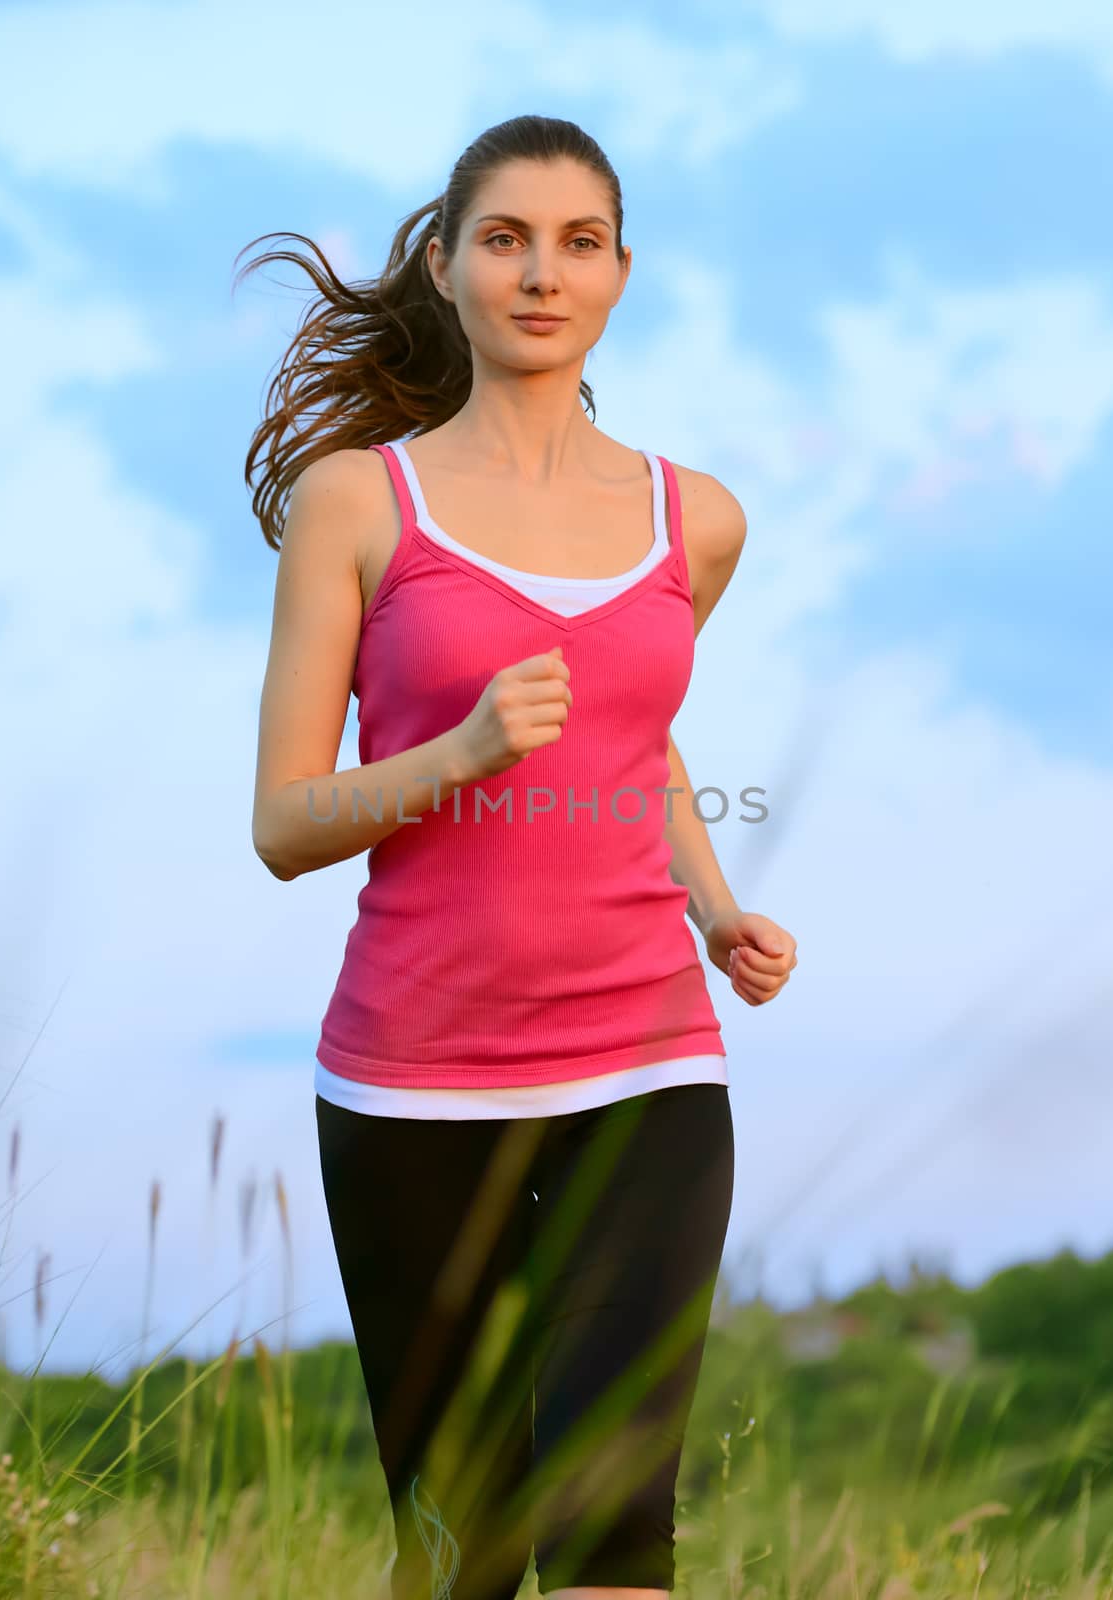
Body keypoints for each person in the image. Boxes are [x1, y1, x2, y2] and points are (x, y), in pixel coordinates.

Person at [244, 113, 797, 1600]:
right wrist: (456, 757)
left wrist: (717, 905)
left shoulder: (701, 521)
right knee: (465, 1550)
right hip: (412, 1081)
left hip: (646, 1067)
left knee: (617, 1530)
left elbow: (637, 740)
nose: (541, 273)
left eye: (578, 242)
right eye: (504, 239)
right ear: (445, 265)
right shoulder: (363, 505)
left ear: (621, 273)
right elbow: (284, 823)